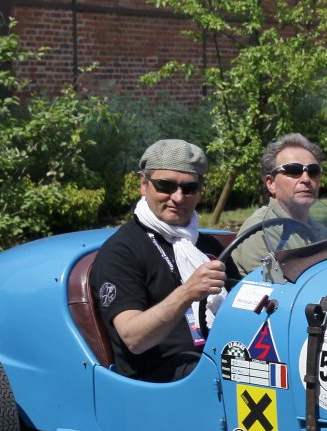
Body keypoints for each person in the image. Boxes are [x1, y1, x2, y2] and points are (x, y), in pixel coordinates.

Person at [90, 139, 228, 382]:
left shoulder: (207, 246)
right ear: (144, 185)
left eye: (189, 188)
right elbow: (134, 338)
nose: (178, 197)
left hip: (216, 361)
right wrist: (187, 293)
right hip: (161, 379)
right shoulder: (121, 251)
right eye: (166, 185)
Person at [227, 133, 327, 277]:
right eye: (293, 170)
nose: (306, 179)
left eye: (313, 171)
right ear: (271, 183)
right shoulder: (260, 230)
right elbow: (278, 287)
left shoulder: (323, 231)